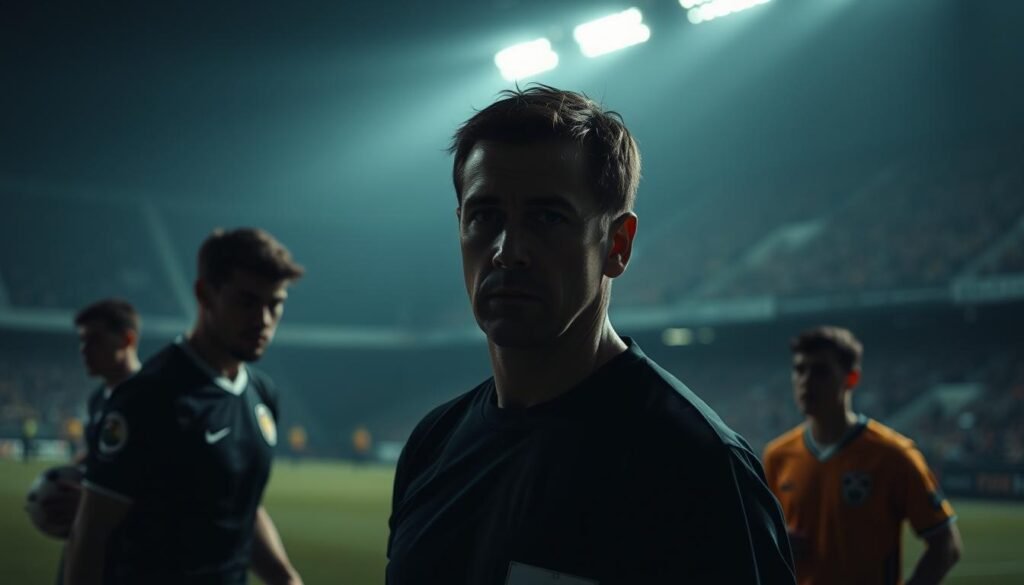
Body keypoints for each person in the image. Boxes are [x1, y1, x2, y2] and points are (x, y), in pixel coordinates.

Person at [386, 85, 796, 584]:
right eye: (485, 217)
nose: (508, 250)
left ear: (617, 246)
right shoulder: (432, 444)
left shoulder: (698, 469)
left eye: (548, 218)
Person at [65, 228, 305, 585]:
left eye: (275, 304)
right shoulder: (149, 398)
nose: (264, 320)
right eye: (247, 302)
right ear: (205, 295)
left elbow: (242, 507)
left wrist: (284, 577)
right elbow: (92, 533)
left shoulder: (262, 394)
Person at [763, 326, 962, 585]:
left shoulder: (894, 455)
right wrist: (776, 542)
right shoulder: (777, 456)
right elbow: (759, 541)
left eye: (820, 371)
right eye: (800, 370)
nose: (806, 380)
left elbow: (946, 546)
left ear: (851, 378)